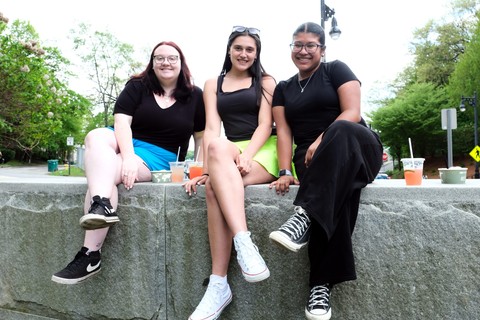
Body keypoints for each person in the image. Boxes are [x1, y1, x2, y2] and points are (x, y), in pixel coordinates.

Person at [51, 41, 206, 285]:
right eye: (159, 58)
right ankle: (102, 205)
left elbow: (200, 137)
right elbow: (122, 123)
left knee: (103, 175)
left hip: (162, 156)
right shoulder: (138, 86)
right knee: (95, 136)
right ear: (152, 63)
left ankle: (89, 254)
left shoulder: (195, 95)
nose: (166, 62)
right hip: (127, 142)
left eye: (172, 58)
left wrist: (200, 169)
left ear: (181, 63)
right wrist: (130, 156)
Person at [268, 22, 383, 320]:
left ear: (322, 49)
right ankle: (320, 287)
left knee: (343, 129)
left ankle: (304, 215)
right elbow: (283, 134)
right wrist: (283, 170)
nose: (303, 50)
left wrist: (322, 139)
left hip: (356, 147)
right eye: (297, 44)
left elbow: (352, 113)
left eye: (310, 45)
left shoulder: (336, 70)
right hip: (312, 162)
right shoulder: (283, 89)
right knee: (338, 196)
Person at [184, 26, 278, 320]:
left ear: (257, 53)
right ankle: (243, 244)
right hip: (227, 150)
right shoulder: (213, 84)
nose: (244, 54)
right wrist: (207, 169)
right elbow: (212, 129)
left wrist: (248, 156)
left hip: (263, 148)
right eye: (239, 48)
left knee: (214, 189)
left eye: (250, 49)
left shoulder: (265, 81)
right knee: (217, 155)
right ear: (229, 50)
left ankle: (219, 284)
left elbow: (265, 125)